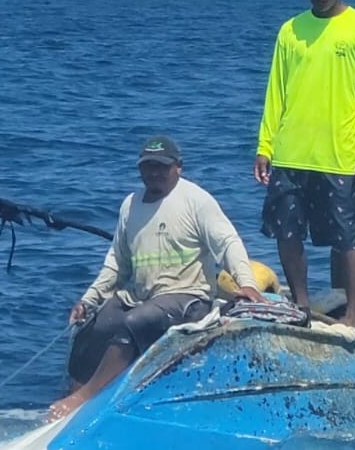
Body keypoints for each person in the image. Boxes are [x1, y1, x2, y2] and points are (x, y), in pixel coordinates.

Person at [49, 136, 264, 421]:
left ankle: (83, 398)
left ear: (178, 167)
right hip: (141, 296)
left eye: (161, 166)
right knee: (95, 325)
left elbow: (227, 243)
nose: (154, 173)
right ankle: (72, 403)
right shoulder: (130, 205)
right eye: (148, 166)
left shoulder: (196, 200)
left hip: (188, 297)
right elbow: (116, 264)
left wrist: (246, 283)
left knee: (135, 322)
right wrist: (88, 300)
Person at [254, 0, 355, 330]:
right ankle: (300, 304)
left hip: (339, 156)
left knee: (348, 238)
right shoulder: (290, 31)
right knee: (287, 233)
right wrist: (265, 146)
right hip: (291, 153)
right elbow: (276, 92)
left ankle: (354, 314)